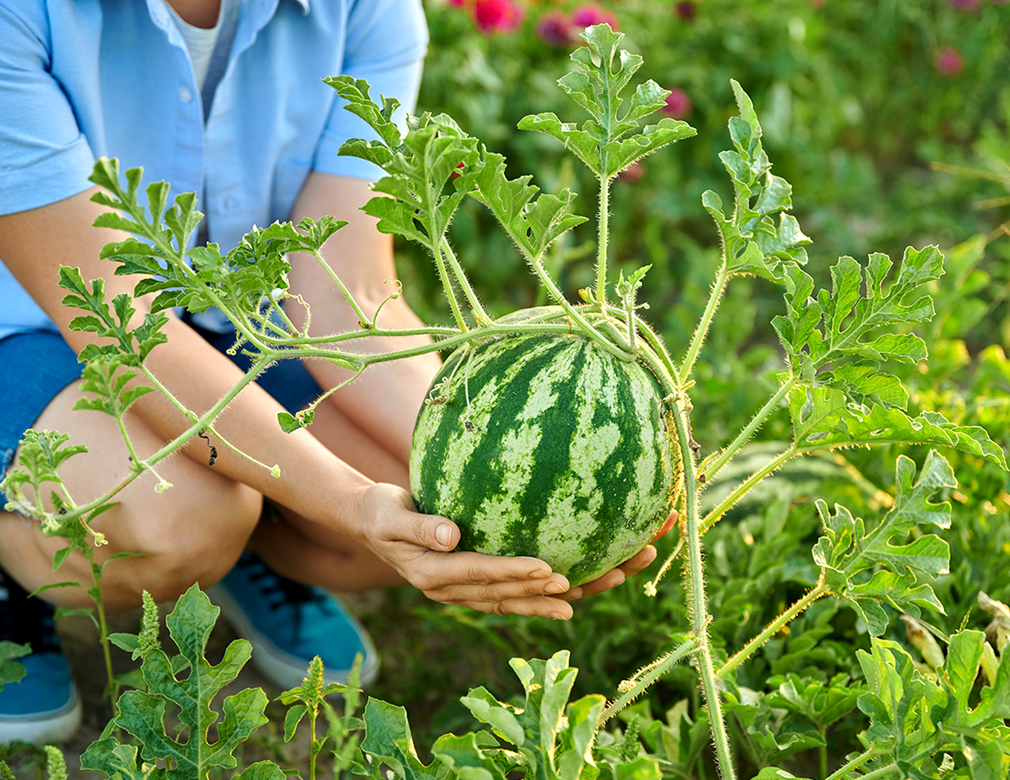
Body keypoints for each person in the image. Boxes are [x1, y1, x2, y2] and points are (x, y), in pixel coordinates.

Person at [0, 0, 662, 746]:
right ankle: (11, 580)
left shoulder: (367, 9)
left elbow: (344, 285)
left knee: (428, 489)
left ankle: (249, 530)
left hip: (236, 325)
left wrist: (509, 457)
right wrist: (347, 503)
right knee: (176, 522)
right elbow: (119, 321)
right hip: (37, 327)